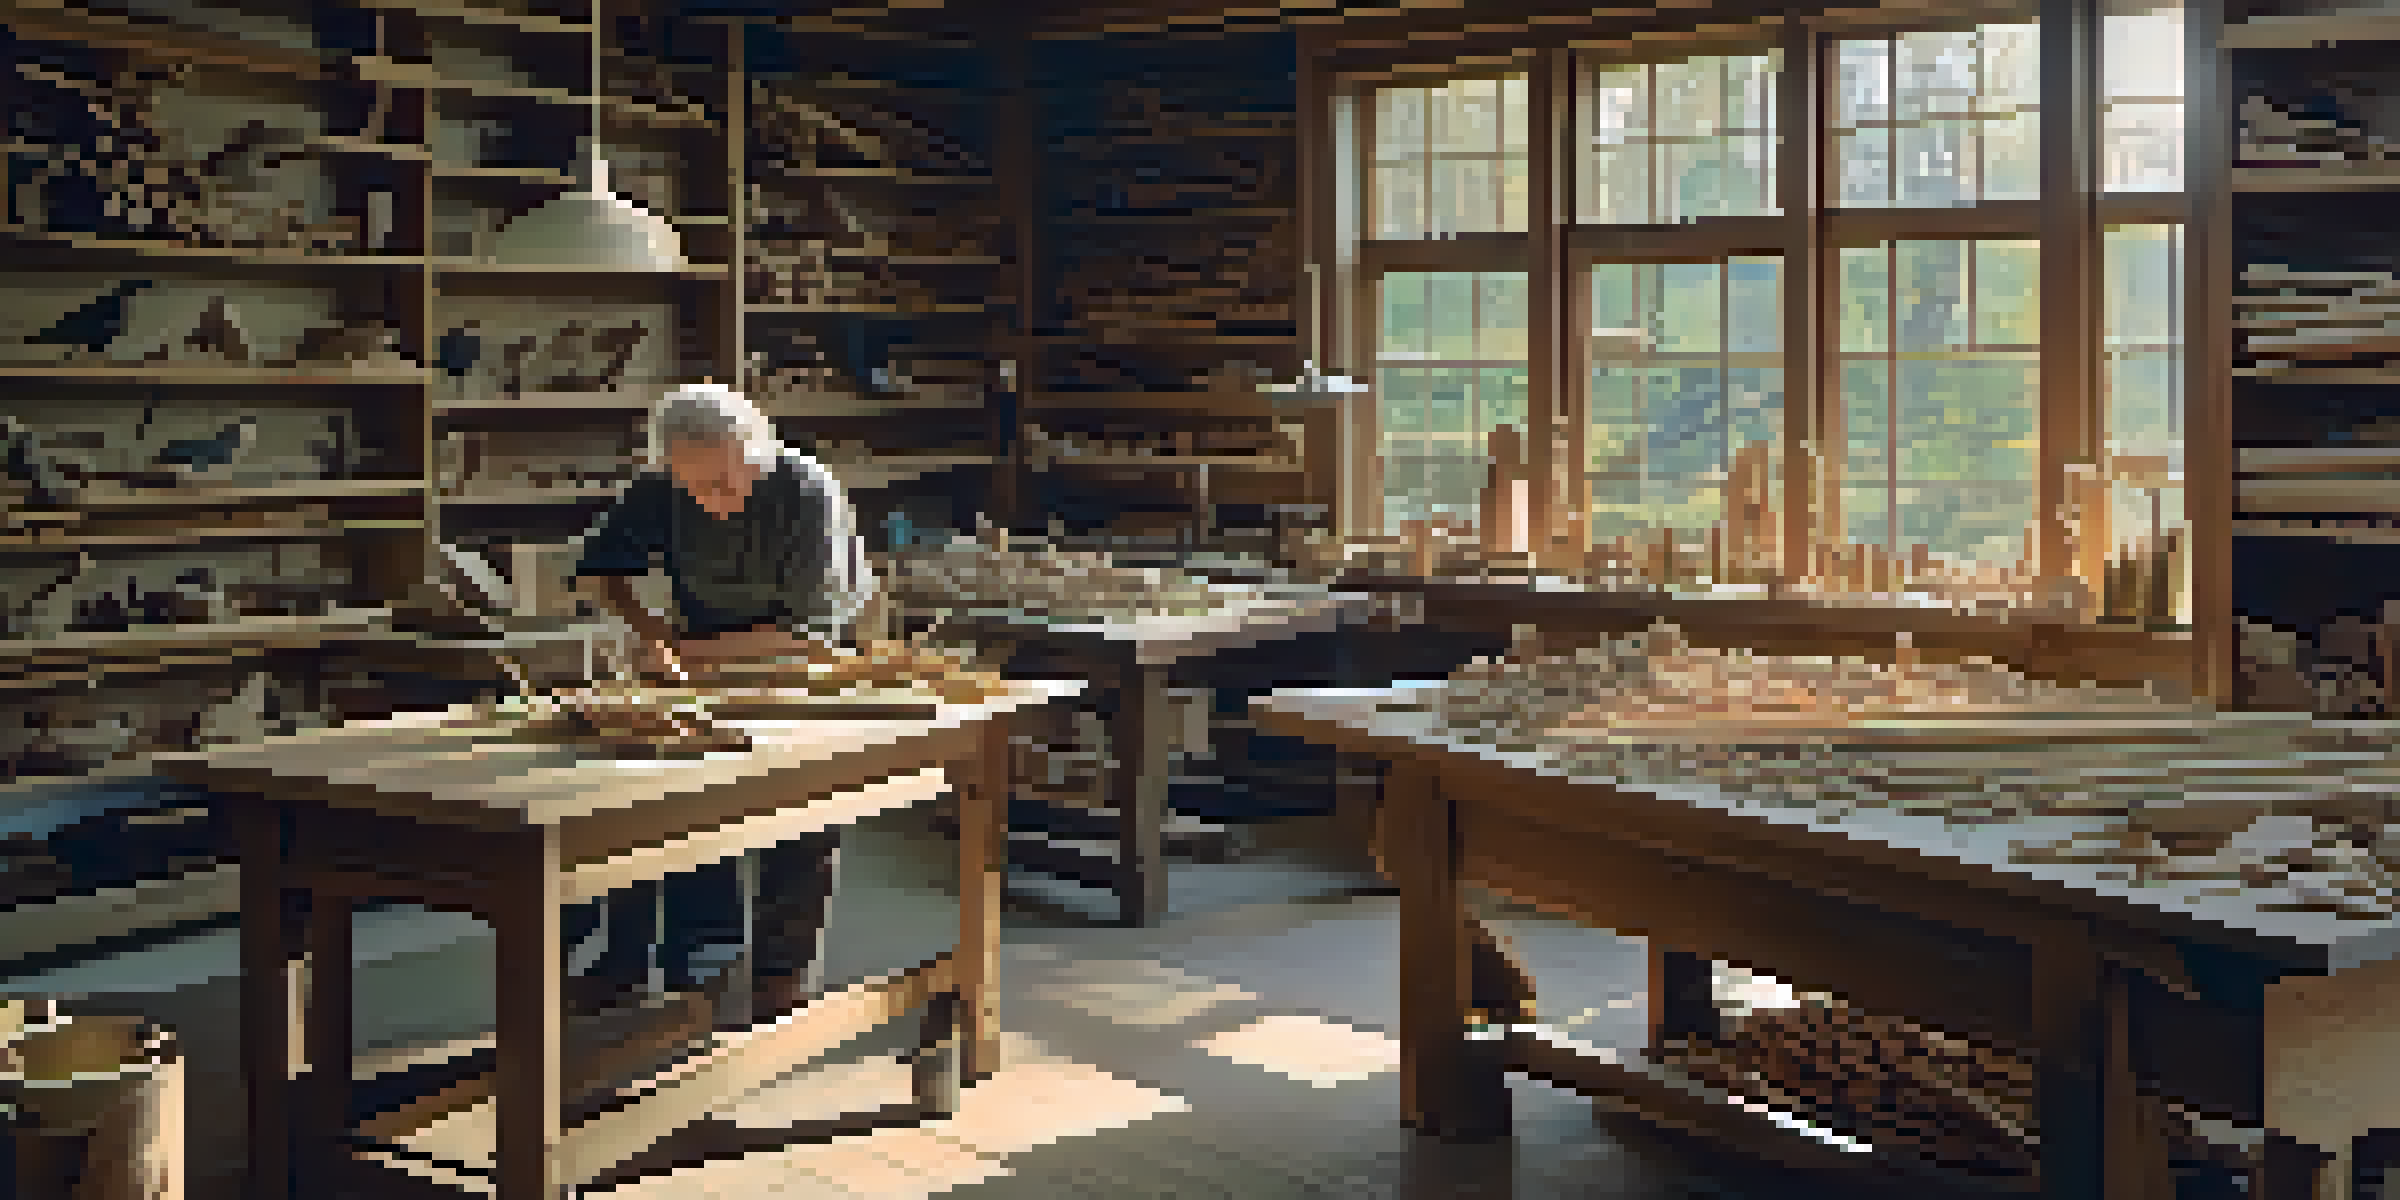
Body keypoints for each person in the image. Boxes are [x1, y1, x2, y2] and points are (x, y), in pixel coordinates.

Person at [562, 382, 874, 1015]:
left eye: (729, 484)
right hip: (702, 654)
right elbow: (600, 569)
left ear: (759, 453)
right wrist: (651, 636)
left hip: (807, 662)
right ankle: (695, 957)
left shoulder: (806, 493)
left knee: (802, 800)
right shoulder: (666, 486)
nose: (716, 501)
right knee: (682, 800)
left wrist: (681, 651)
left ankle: (781, 972)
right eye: (698, 489)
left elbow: (805, 636)